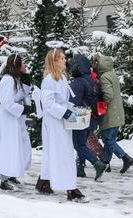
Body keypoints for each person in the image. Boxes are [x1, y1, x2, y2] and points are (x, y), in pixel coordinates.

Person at [39, 48, 86, 201]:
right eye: (62, 58)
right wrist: (64, 112)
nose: (65, 60)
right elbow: (48, 104)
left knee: (57, 152)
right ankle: (70, 188)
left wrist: (74, 110)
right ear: (54, 61)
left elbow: (63, 101)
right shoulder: (49, 80)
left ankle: (44, 181)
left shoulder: (61, 78)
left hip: (61, 121)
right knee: (63, 153)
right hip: (54, 122)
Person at [0, 54, 32, 190]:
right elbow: (6, 102)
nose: (25, 66)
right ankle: (4, 179)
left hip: (13, 118)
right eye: (22, 64)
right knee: (9, 148)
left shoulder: (14, 79)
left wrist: (26, 78)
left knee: (17, 147)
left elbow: (20, 94)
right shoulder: (7, 80)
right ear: (16, 65)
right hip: (8, 119)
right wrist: (22, 109)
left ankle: (10, 174)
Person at [69, 54, 106, 181]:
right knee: (82, 143)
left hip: (81, 117)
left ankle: (97, 164)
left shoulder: (78, 82)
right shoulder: (92, 79)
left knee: (78, 145)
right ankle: (80, 168)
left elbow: (73, 101)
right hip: (92, 117)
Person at [96, 55, 133, 174]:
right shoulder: (112, 75)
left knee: (108, 140)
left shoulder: (103, 77)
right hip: (117, 112)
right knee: (110, 139)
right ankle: (106, 162)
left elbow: (108, 95)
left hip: (110, 113)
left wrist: (100, 102)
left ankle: (125, 158)